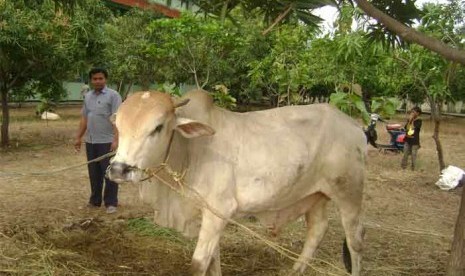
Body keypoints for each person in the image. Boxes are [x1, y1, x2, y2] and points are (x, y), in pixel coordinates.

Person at [74, 68, 122, 214]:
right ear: (91, 80)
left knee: (109, 173)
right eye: (95, 79)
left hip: (107, 141)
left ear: (105, 79)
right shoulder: (88, 96)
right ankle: (94, 201)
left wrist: (116, 139)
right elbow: (84, 118)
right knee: (94, 174)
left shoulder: (113, 96)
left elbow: (118, 119)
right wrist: (78, 137)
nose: (97, 81)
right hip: (91, 141)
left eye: (100, 78)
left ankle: (111, 203)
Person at [401, 106, 422, 170]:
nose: (412, 113)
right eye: (412, 112)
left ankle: (413, 168)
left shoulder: (419, 120)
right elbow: (406, 128)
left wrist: (411, 120)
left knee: (413, 155)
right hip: (407, 139)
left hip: (414, 140)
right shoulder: (409, 119)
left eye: (414, 112)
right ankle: (403, 167)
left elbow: (413, 128)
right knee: (405, 154)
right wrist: (409, 120)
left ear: (418, 113)